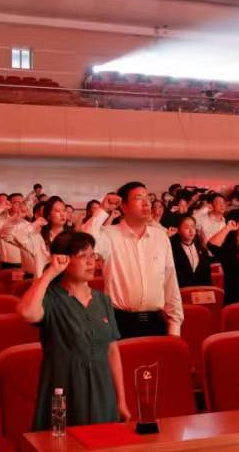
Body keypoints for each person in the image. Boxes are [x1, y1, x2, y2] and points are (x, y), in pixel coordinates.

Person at [16, 233, 130, 430]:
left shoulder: (102, 300)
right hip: (65, 391)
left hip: (103, 391)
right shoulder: (51, 298)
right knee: (64, 443)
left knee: (104, 442)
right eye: (83, 256)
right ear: (64, 260)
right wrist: (50, 273)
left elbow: (112, 351)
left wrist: (121, 400)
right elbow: (27, 313)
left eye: (93, 255)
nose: (91, 262)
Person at [85, 182, 184, 338]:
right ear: (123, 207)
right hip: (120, 322)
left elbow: (170, 282)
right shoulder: (109, 235)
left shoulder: (160, 237)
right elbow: (84, 242)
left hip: (156, 322)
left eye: (148, 198)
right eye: (138, 198)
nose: (146, 203)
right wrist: (103, 209)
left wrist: (174, 326)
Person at [10, 196, 70, 277]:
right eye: (57, 211)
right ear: (48, 216)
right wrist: (34, 225)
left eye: (64, 210)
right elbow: (18, 237)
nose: (62, 214)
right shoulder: (39, 238)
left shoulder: (73, 237)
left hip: (68, 279)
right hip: (45, 281)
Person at [170, 215, 213, 288]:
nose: (191, 231)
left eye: (193, 227)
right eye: (186, 227)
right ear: (179, 231)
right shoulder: (173, 249)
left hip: (202, 289)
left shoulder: (201, 247)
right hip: (182, 290)